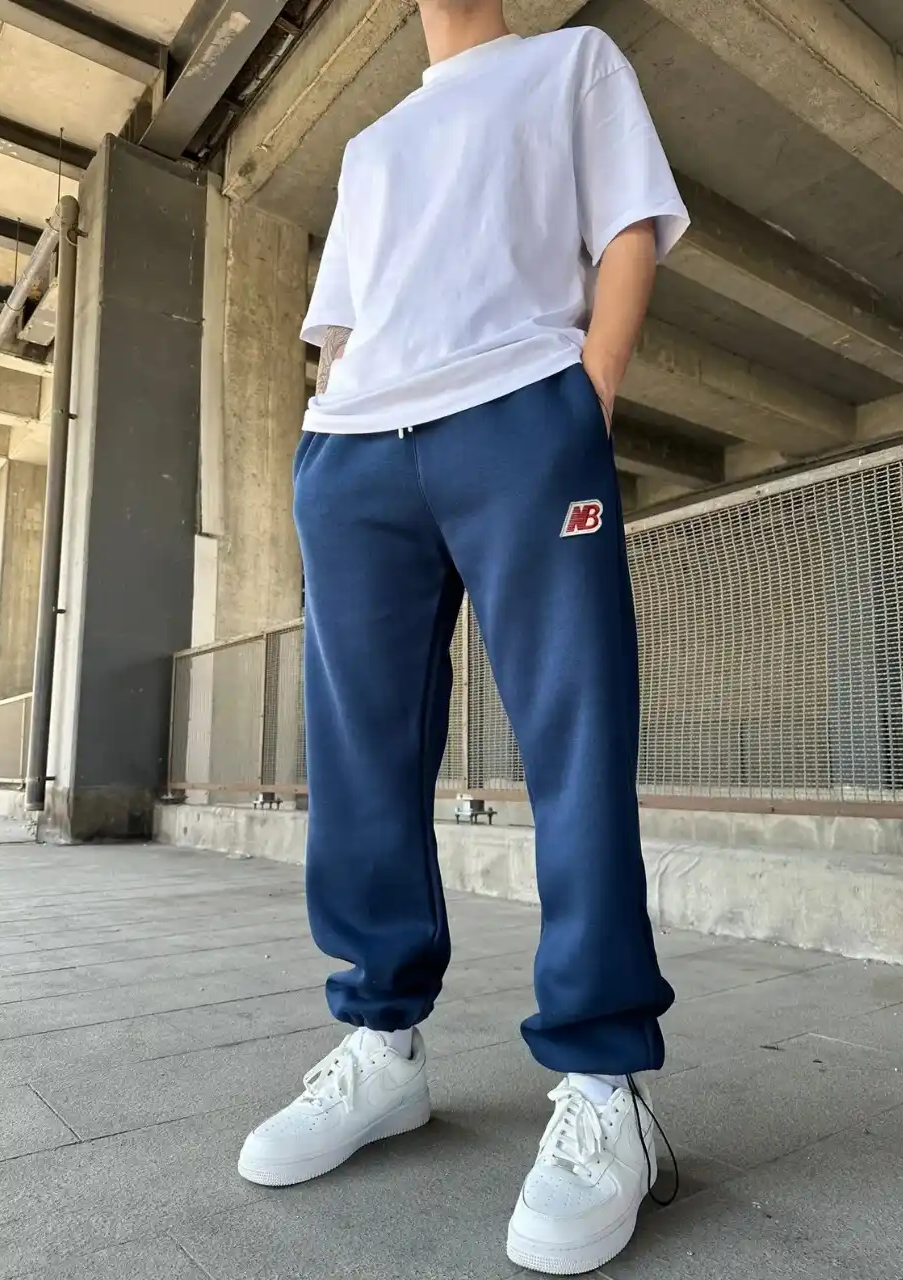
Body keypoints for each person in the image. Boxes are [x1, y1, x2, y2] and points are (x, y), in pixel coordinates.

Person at [238, 1, 689, 1272]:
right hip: (354, 452)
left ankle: (603, 1079)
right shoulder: (372, 143)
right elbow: (339, 324)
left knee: (574, 733)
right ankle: (382, 1043)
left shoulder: (572, 62)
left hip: (521, 415)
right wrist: (324, 442)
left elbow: (630, 224)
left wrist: (589, 394)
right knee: (361, 758)